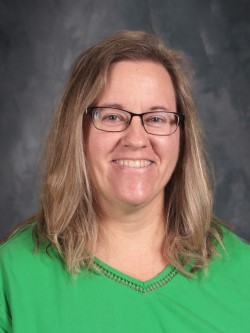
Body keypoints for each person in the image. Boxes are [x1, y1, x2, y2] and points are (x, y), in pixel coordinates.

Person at [0, 30, 249, 333]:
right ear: (77, 131)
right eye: (113, 117)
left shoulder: (241, 269)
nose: (136, 139)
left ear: (182, 137)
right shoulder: (12, 274)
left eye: (157, 118)